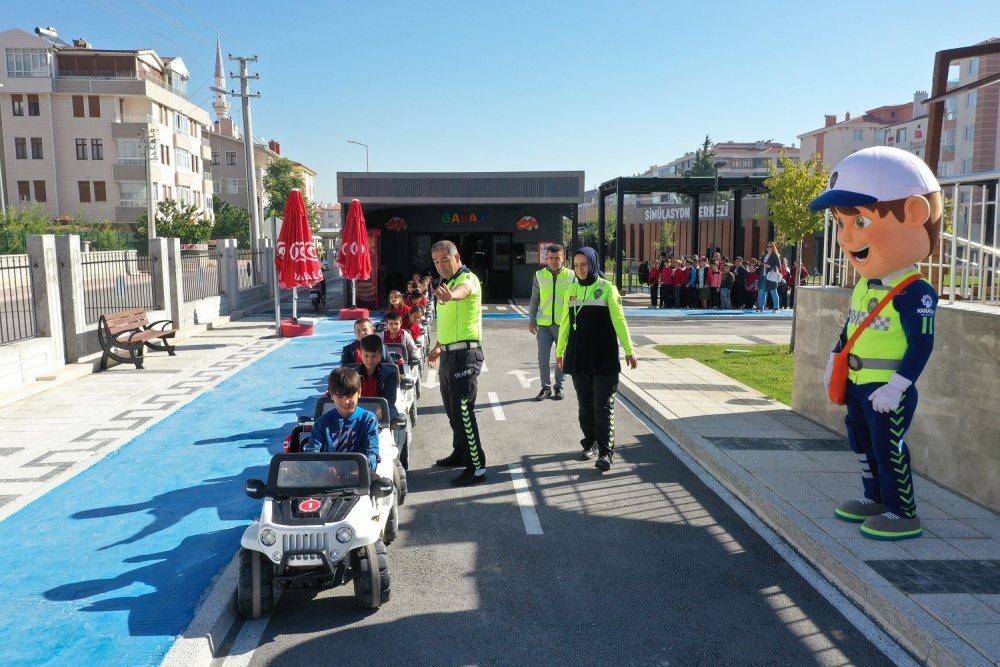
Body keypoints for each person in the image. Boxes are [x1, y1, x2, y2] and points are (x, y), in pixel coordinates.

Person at [810, 146, 941, 541]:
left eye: (861, 221)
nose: (846, 237)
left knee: (888, 448)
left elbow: (922, 344)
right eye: (841, 223)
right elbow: (852, 327)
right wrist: (835, 358)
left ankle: (903, 512)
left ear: (914, 213)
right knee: (862, 443)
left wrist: (897, 386)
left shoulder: (914, 291)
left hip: (886, 389)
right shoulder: (866, 285)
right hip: (856, 383)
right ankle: (875, 498)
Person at [555, 247, 637, 472]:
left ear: (592, 264)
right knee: (585, 406)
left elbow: (620, 320)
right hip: (579, 356)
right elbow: (565, 323)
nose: (580, 269)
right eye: (576, 265)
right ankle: (589, 442)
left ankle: (606, 452)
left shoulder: (607, 288)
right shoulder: (571, 290)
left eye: (584, 264)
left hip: (603, 357)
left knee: (603, 406)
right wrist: (560, 351)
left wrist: (629, 349)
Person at [426, 240, 487, 486]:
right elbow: (449, 322)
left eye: (444, 259)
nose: (440, 265)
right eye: (436, 261)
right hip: (448, 355)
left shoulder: (467, 279)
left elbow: (464, 291)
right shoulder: (446, 283)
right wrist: (438, 346)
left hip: (465, 356)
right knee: (452, 411)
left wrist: (452, 296)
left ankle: (477, 467)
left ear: (457, 257)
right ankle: (461, 452)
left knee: (463, 412)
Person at [303, 367, 379, 471]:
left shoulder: (368, 419)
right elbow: (312, 453)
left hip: (359, 475)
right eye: (340, 397)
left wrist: (362, 467)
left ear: (359, 392)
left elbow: (371, 452)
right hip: (328, 475)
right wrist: (323, 469)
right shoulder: (322, 423)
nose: (346, 401)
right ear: (331, 395)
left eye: (350, 395)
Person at [527, 243, 574, 401]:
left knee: (561, 356)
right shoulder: (539, 275)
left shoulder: (572, 276)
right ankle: (545, 388)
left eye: (557, 258)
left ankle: (559, 387)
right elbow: (535, 299)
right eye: (551, 258)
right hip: (544, 325)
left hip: (564, 325)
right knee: (543, 358)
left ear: (563, 258)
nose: (554, 261)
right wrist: (532, 320)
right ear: (546, 258)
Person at [353, 334, 399, 418]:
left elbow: (390, 400)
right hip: (357, 410)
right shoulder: (352, 374)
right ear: (361, 354)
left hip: (381, 409)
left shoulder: (390, 374)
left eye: (374, 356)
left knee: (391, 413)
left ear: (380, 355)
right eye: (366, 355)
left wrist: (379, 410)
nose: (369, 360)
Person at [757, 242, 781, 311]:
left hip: (771, 277)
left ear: (773, 247)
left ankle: (776, 307)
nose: (769, 248)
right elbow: (761, 265)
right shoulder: (764, 255)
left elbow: (778, 266)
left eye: (770, 246)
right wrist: (759, 264)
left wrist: (769, 266)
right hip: (763, 276)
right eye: (768, 246)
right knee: (762, 292)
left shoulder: (775, 255)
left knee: (773, 291)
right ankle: (761, 307)